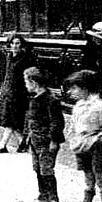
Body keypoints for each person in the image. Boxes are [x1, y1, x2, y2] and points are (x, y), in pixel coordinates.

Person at [0, 34, 36, 154]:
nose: (14, 46)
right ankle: (22, 142)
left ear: (21, 45)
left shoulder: (25, 59)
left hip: (18, 94)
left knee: (10, 120)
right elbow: (7, 75)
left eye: (17, 43)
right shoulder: (9, 56)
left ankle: (2, 145)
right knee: (12, 120)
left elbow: (28, 78)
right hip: (8, 92)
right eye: (12, 43)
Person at [24, 66, 64, 202]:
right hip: (35, 140)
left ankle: (53, 198)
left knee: (46, 170)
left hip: (46, 142)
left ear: (34, 83)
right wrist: (28, 136)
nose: (25, 85)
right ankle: (43, 196)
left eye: (26, 82)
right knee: (37, 169)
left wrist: (54, 141)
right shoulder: (34, 98)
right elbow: (30, 119)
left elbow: (56, 122)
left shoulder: (51, 100)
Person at [65, 70, 102, 202]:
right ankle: (88, 194)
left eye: (74, 88)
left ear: (85, 88)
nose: (71, 92)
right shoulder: (78, 106)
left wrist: (97, 139)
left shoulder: (98, 106)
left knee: (99, 173)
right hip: (81, 144)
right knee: (87, 171)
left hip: (95, 145)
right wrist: (73, 138)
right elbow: (73, 126)